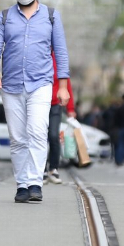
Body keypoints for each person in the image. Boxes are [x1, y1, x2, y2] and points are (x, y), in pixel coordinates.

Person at [0, 0, 70, 203]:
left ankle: (35, 182)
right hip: (11, 85)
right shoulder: (4, 17)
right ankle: (22, 184)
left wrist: (62, 86)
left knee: (36, 132)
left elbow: (61, 52)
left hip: (41, 83)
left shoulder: (51, 16)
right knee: (18, 138)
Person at [45, 53, 74, 184]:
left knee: (53, 135)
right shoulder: (38, 55)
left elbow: (67, 85)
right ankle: (41, 169)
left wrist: (71, 109)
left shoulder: (58, 59)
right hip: (39, 103)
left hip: (56, 104)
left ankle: (53, 168)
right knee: (39, 136)